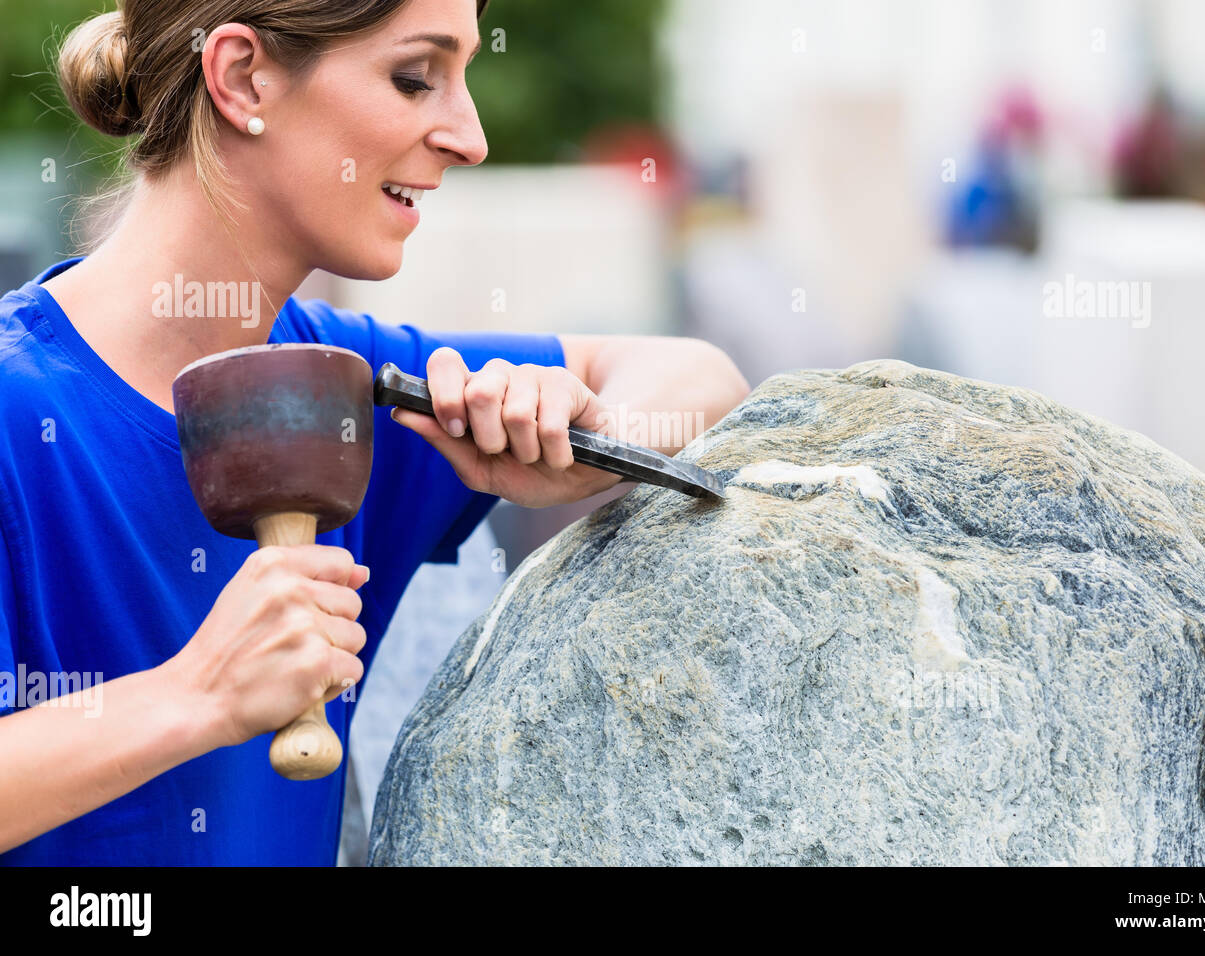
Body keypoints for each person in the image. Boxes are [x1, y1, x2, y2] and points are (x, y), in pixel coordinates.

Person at [0, 0, 750, 865]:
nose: (470, 138)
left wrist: (582, 440)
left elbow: (703, 377)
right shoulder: (21, 416)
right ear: (244, 77)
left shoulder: (344, 381)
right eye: (415, 77)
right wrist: (194, 695)